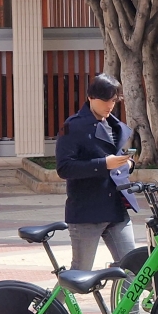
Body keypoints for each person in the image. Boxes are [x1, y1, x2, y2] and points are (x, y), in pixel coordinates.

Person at [55, 73, 138, 271]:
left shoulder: (115, 125)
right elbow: (64, 168)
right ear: (90, 97)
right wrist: (103, 164)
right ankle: (49, 303)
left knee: (132, 268)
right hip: (87, 212)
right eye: (105, 100)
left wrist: (129, 165)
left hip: (116, 208)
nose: (110, 105)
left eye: (114, 100)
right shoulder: (72, 126)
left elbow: (118, 159)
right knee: (79, 272)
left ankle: (129, 304)